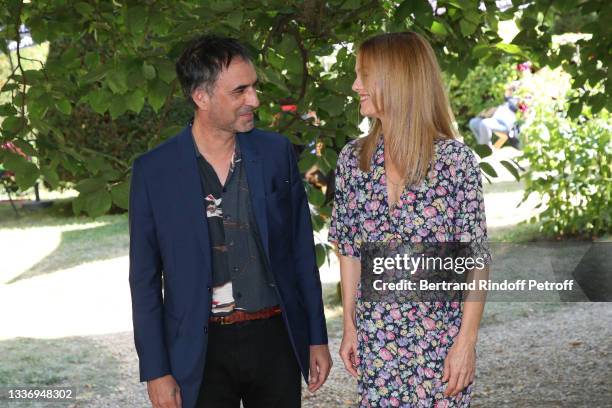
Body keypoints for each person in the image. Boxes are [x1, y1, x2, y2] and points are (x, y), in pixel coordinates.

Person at [129, 35, 332, 408]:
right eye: (240, 91)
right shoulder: (153, 172)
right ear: (201, 97)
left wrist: (316, 338)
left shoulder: (276, 154)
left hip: (276, 341)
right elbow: (143, 279)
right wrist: (156, 370)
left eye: (254, 87)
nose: (254, 100)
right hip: (198, 350)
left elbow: (301, 252)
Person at [329, 32, 490, 407]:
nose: (355, 86)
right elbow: (350, 253)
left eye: (363, 75)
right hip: (377, 346)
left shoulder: (455, 163)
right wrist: (350, 327)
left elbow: (476, 263)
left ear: (396, 79)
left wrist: (466, 344)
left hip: (441, 348)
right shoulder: (354, 161)